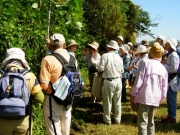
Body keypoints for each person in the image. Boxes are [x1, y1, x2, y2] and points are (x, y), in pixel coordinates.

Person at [0, 47, 44, 135]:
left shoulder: (1, 74)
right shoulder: (30, 76)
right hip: (23, 119)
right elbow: (40, 98)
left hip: (2, 120)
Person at [130, 42, 168, 135]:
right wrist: (161, 99)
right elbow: (164, 88)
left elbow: (139, 81)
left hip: (144, 97)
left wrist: (133, 94)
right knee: (151, 122)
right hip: (155, 98)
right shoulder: (163, 68)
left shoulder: (145, 63)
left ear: (150, 53)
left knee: (143, 122)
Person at [40, 33, 72, 135]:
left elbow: (44, 86)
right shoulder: (72, 58)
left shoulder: (47, 60)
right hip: (69, 98)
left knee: (54, 130)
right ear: (65, 45)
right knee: (65, 130)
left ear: (50, 45)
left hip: (53, 99)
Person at [98, 40, 124, 125]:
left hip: (109, 81)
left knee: (107, 101)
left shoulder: (105, 56)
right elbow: (122, 70)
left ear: (109, 47)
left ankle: (107, 120)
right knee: (117, 101)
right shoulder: (119, 57)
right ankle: (117, 119)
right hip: (118, 80)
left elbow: (101, 68)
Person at [161, 38, 179, 123]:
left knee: (172, 99)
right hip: (170, 80)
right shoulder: (170, 54)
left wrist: (164, 65)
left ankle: (172, 117)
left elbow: (174, 69)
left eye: (167, 43)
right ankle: (170, 114)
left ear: (171, 45)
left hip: (173, 81)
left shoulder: (173, 55)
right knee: (169, 98)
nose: (165, 44)